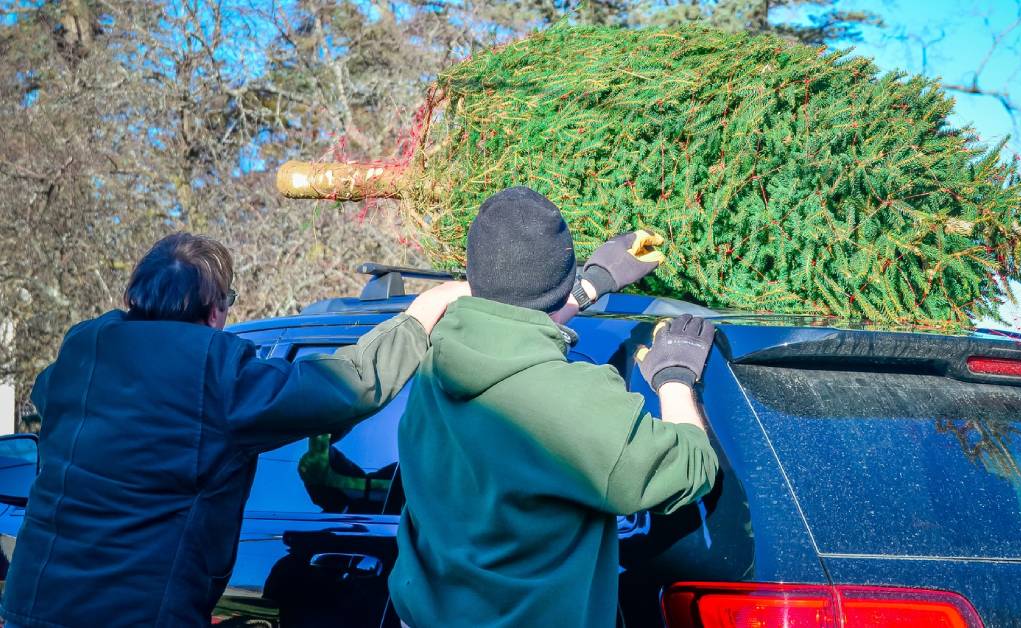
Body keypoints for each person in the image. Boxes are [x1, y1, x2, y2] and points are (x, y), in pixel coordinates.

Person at [0, 232, 469, 628]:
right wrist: (416, 320)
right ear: (213, 313)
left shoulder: (79, 357)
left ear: (133, 298)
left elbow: (49, 396)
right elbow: (347, 386)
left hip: (30, 606)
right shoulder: (215, 373)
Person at [388, 186, 720, 627]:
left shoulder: (435, 365)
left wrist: (591, 285)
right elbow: (691, 467)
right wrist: (675, 378)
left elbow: (506, 326)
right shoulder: (573, 401)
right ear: (560, 276)